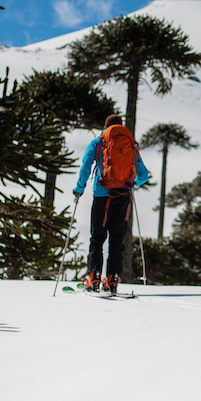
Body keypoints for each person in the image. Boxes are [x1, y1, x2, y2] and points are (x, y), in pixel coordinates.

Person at [73, 114, 149, 294]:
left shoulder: (99, 142)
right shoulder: (131, 144)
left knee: (97, 238)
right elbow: (144, 175)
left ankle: (94, 277)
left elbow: (86, 167)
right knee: (117, 240)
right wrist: (131, 184)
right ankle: (112, 280)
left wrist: (79, 188)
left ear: (105, 127)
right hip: (124, 197)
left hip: (102, 196)